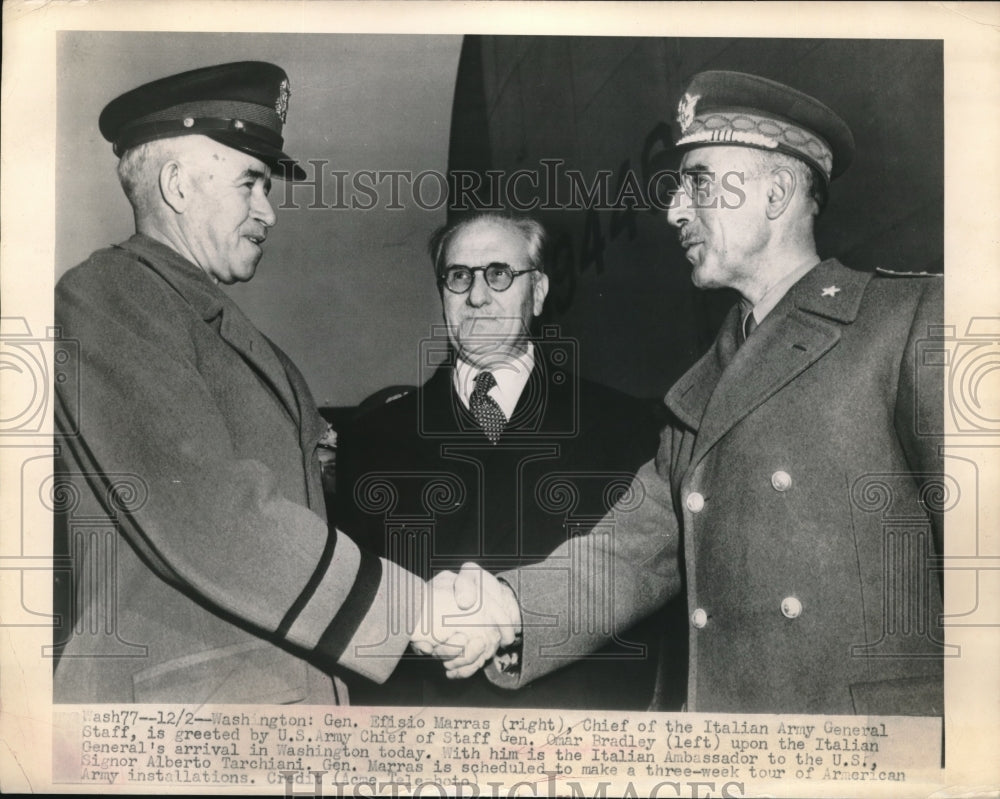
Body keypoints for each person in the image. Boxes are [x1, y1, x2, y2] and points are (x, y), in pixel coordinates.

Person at [442, 70, 945, 716]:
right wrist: (505, 608)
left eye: (699, 180)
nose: (674, 208)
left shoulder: (907, 322)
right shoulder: (701, 389)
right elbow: (627, 554)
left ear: (778, 191)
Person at [52, 61, 471, 704]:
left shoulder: (210, 321)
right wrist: (409, 612)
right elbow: (208, 509)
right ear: (177, 185)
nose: (269, 212)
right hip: (183, 728)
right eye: (251, 183)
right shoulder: (109, 296)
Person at [334, 211, 685, 709]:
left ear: (538, 292)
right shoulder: (370, 439)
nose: (478, 296)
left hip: (576, 736)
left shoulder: (626, 427)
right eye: (459, 277)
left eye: (499, 274)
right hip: (425, 737)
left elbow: (640, 601)